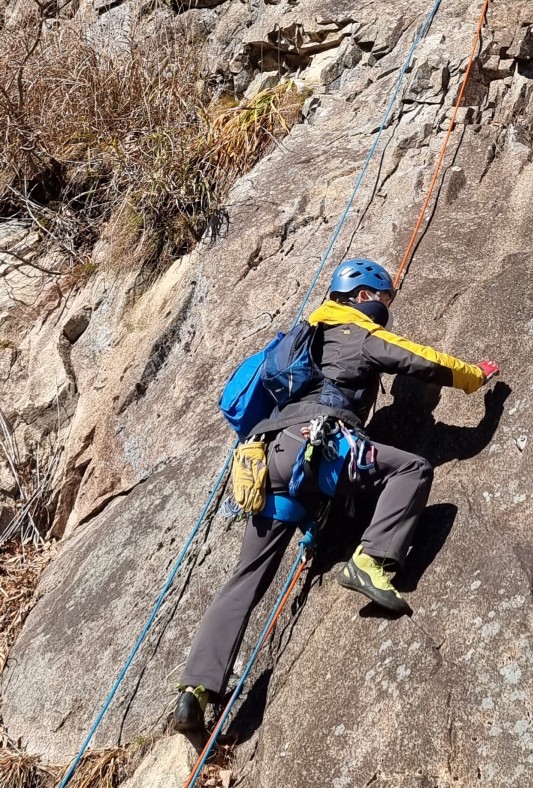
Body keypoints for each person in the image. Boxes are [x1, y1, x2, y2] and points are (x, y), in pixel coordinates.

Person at [171, 258, 499, 734]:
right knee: (411, 469)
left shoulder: (299, 338)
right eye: (382, 299)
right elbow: (417, 359)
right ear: (364, 295)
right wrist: (472, 375)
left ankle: (196, 689)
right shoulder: (356, 332)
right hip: (321, 447)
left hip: (270, 459)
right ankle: (373, 561)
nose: (384, 308)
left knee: (245, 578)